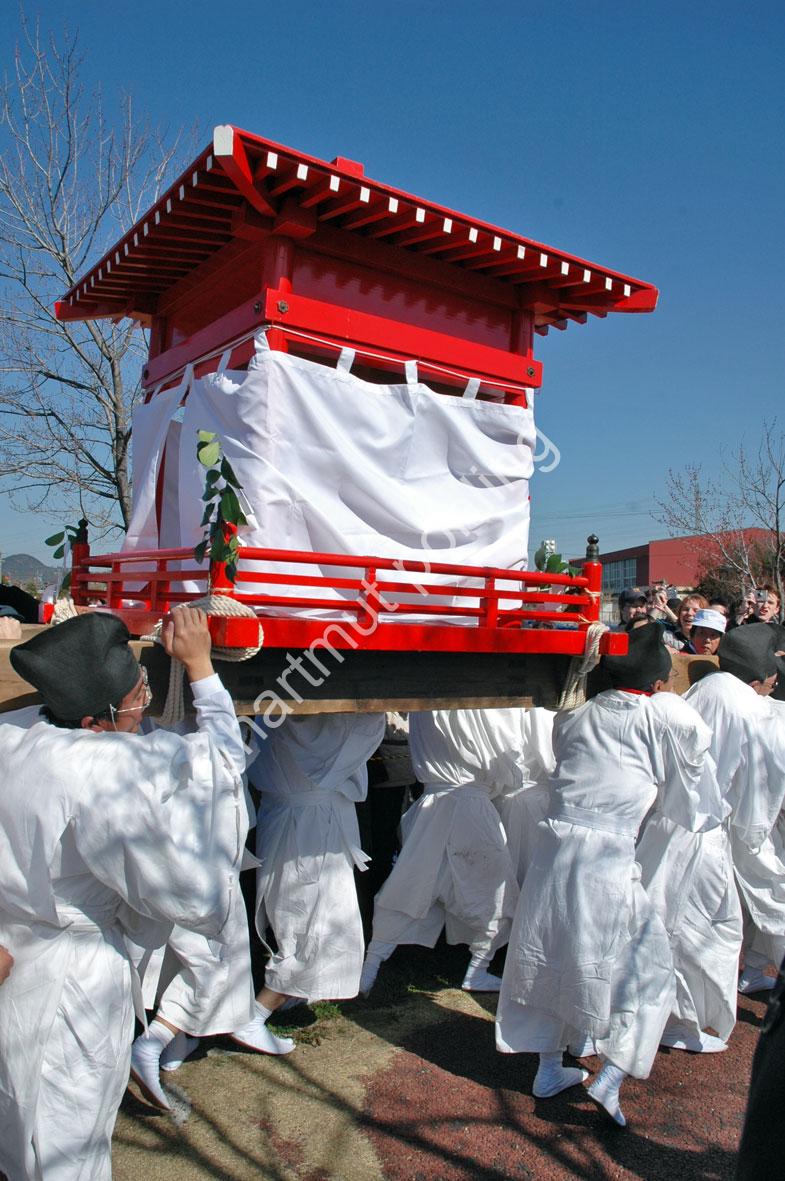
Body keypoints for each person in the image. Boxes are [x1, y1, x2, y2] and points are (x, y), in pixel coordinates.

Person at [0, 608, 247, 1181]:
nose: (145, 707)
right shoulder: (103, 771)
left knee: (17, 1126)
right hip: (77, 978)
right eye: (139, 696)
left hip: (16, 957)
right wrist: (202, 668)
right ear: (94, 720)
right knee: (70, 1136)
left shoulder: (15, 736)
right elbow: (222, 772)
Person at [495, 627, 716, 1127]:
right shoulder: (660, 721)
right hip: (606, 854)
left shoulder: (573, 716)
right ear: (659, 684)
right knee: (651, 965)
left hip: (556, 848)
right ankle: (611, 1076)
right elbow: (687, 802)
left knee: (551, 952)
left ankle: (549, 1067)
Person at [360, 708, 522, 995]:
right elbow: (504, 752)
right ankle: (478, 969)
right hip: (470, 803)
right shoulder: (484, 704)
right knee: (496, 889)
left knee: (409, 884)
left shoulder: (427, 704)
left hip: (432, 804)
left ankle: (371, 966)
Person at [249, 711, 386, 1032]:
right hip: (311, 827)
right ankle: (259, 1012)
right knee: (314, 920)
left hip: (286, 815)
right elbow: (365, 725)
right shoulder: (325, 728)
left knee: (296, 915)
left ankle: (296, 988)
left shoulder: (276, 713)